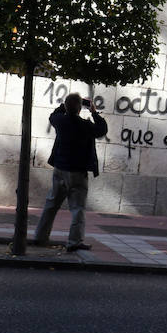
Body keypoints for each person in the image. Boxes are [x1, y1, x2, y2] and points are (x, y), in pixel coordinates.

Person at [34, 92, 108, 253]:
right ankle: (74, 241)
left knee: (51, 204)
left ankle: (40, 236)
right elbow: (102, 129)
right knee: (78, 208)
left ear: (66, 107)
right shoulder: (86, 125)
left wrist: (64, 105)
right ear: (80, 108)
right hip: (77, 172)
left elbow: (53, 115)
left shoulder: (60, 121)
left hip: (60, 168)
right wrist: (94, 112)